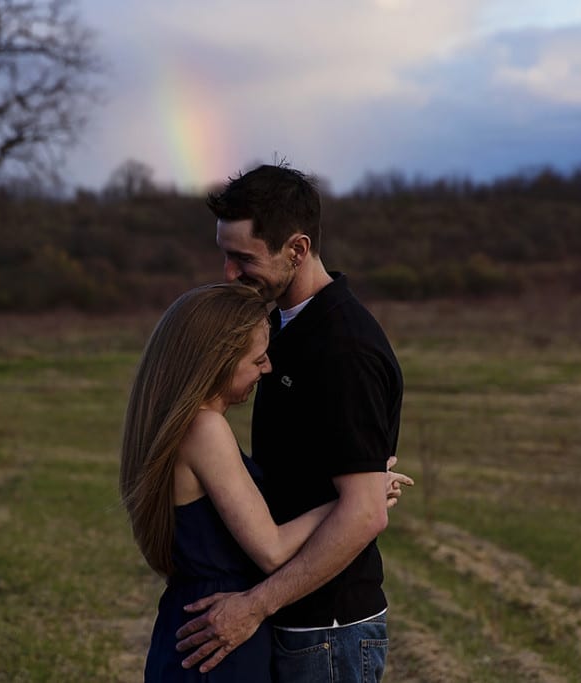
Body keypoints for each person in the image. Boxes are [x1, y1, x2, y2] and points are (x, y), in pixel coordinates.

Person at [174, 164, 406, 683]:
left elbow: (365, 514)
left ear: (297, 250)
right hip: (295, 618)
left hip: (326, 630)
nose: (229, 272)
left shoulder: (345, 349)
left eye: (243, 258)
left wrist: (254, 605)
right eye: (225, 254)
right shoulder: (280, 327)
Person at [120, 283, 409, 682]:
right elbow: (271, 550)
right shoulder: (205, 430)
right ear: (219, 360)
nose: (268, 368)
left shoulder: (176, 425)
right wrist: (357, 497)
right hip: (220, 633)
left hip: (196, 620)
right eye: (257, 359)